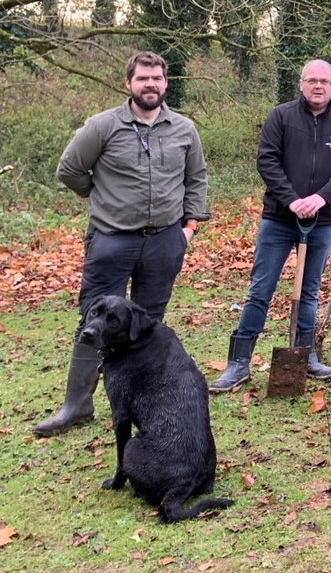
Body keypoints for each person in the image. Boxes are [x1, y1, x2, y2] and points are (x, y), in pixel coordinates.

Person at [35, 51, 209, 436]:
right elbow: (70, 170)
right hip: (111, 241)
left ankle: (145, 400)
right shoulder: (103, 126)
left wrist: (189, 228)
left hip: (164, 241)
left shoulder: (184, 129)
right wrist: (101, 198)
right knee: (92, 323)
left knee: (146, 324)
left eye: (157, 78)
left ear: (166, 83)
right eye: (143, 78)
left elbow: (196, 179)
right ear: (128, 82)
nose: (151, 84)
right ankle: (76, 407)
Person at [209, 60, 331, 392]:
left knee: (308, 292)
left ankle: (305, 355)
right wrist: (292, 200)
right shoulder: (281, 117)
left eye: (325, 81)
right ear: (301, 84)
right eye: (312, 80)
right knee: (259, 290)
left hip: (320, 222)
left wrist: (322, 198)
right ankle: (238, 363)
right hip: (279, 218)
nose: (318, 86)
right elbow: (267, 159)